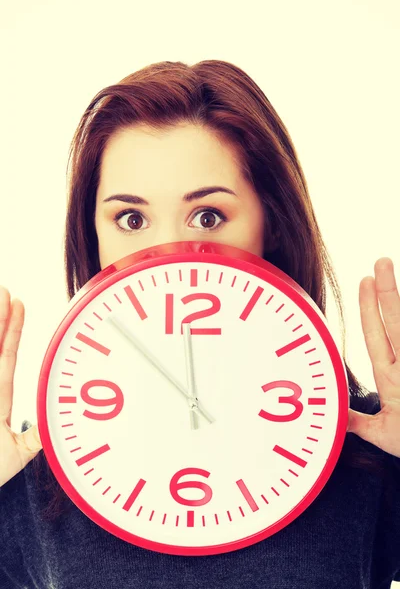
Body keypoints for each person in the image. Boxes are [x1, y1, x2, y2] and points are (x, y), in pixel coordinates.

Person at [1, 59, 400, 588]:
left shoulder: (372, 445)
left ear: (272, 224)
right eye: (132, 219)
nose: (170, 256)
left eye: (208, 216)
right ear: (93, 235)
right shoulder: (28, 467)